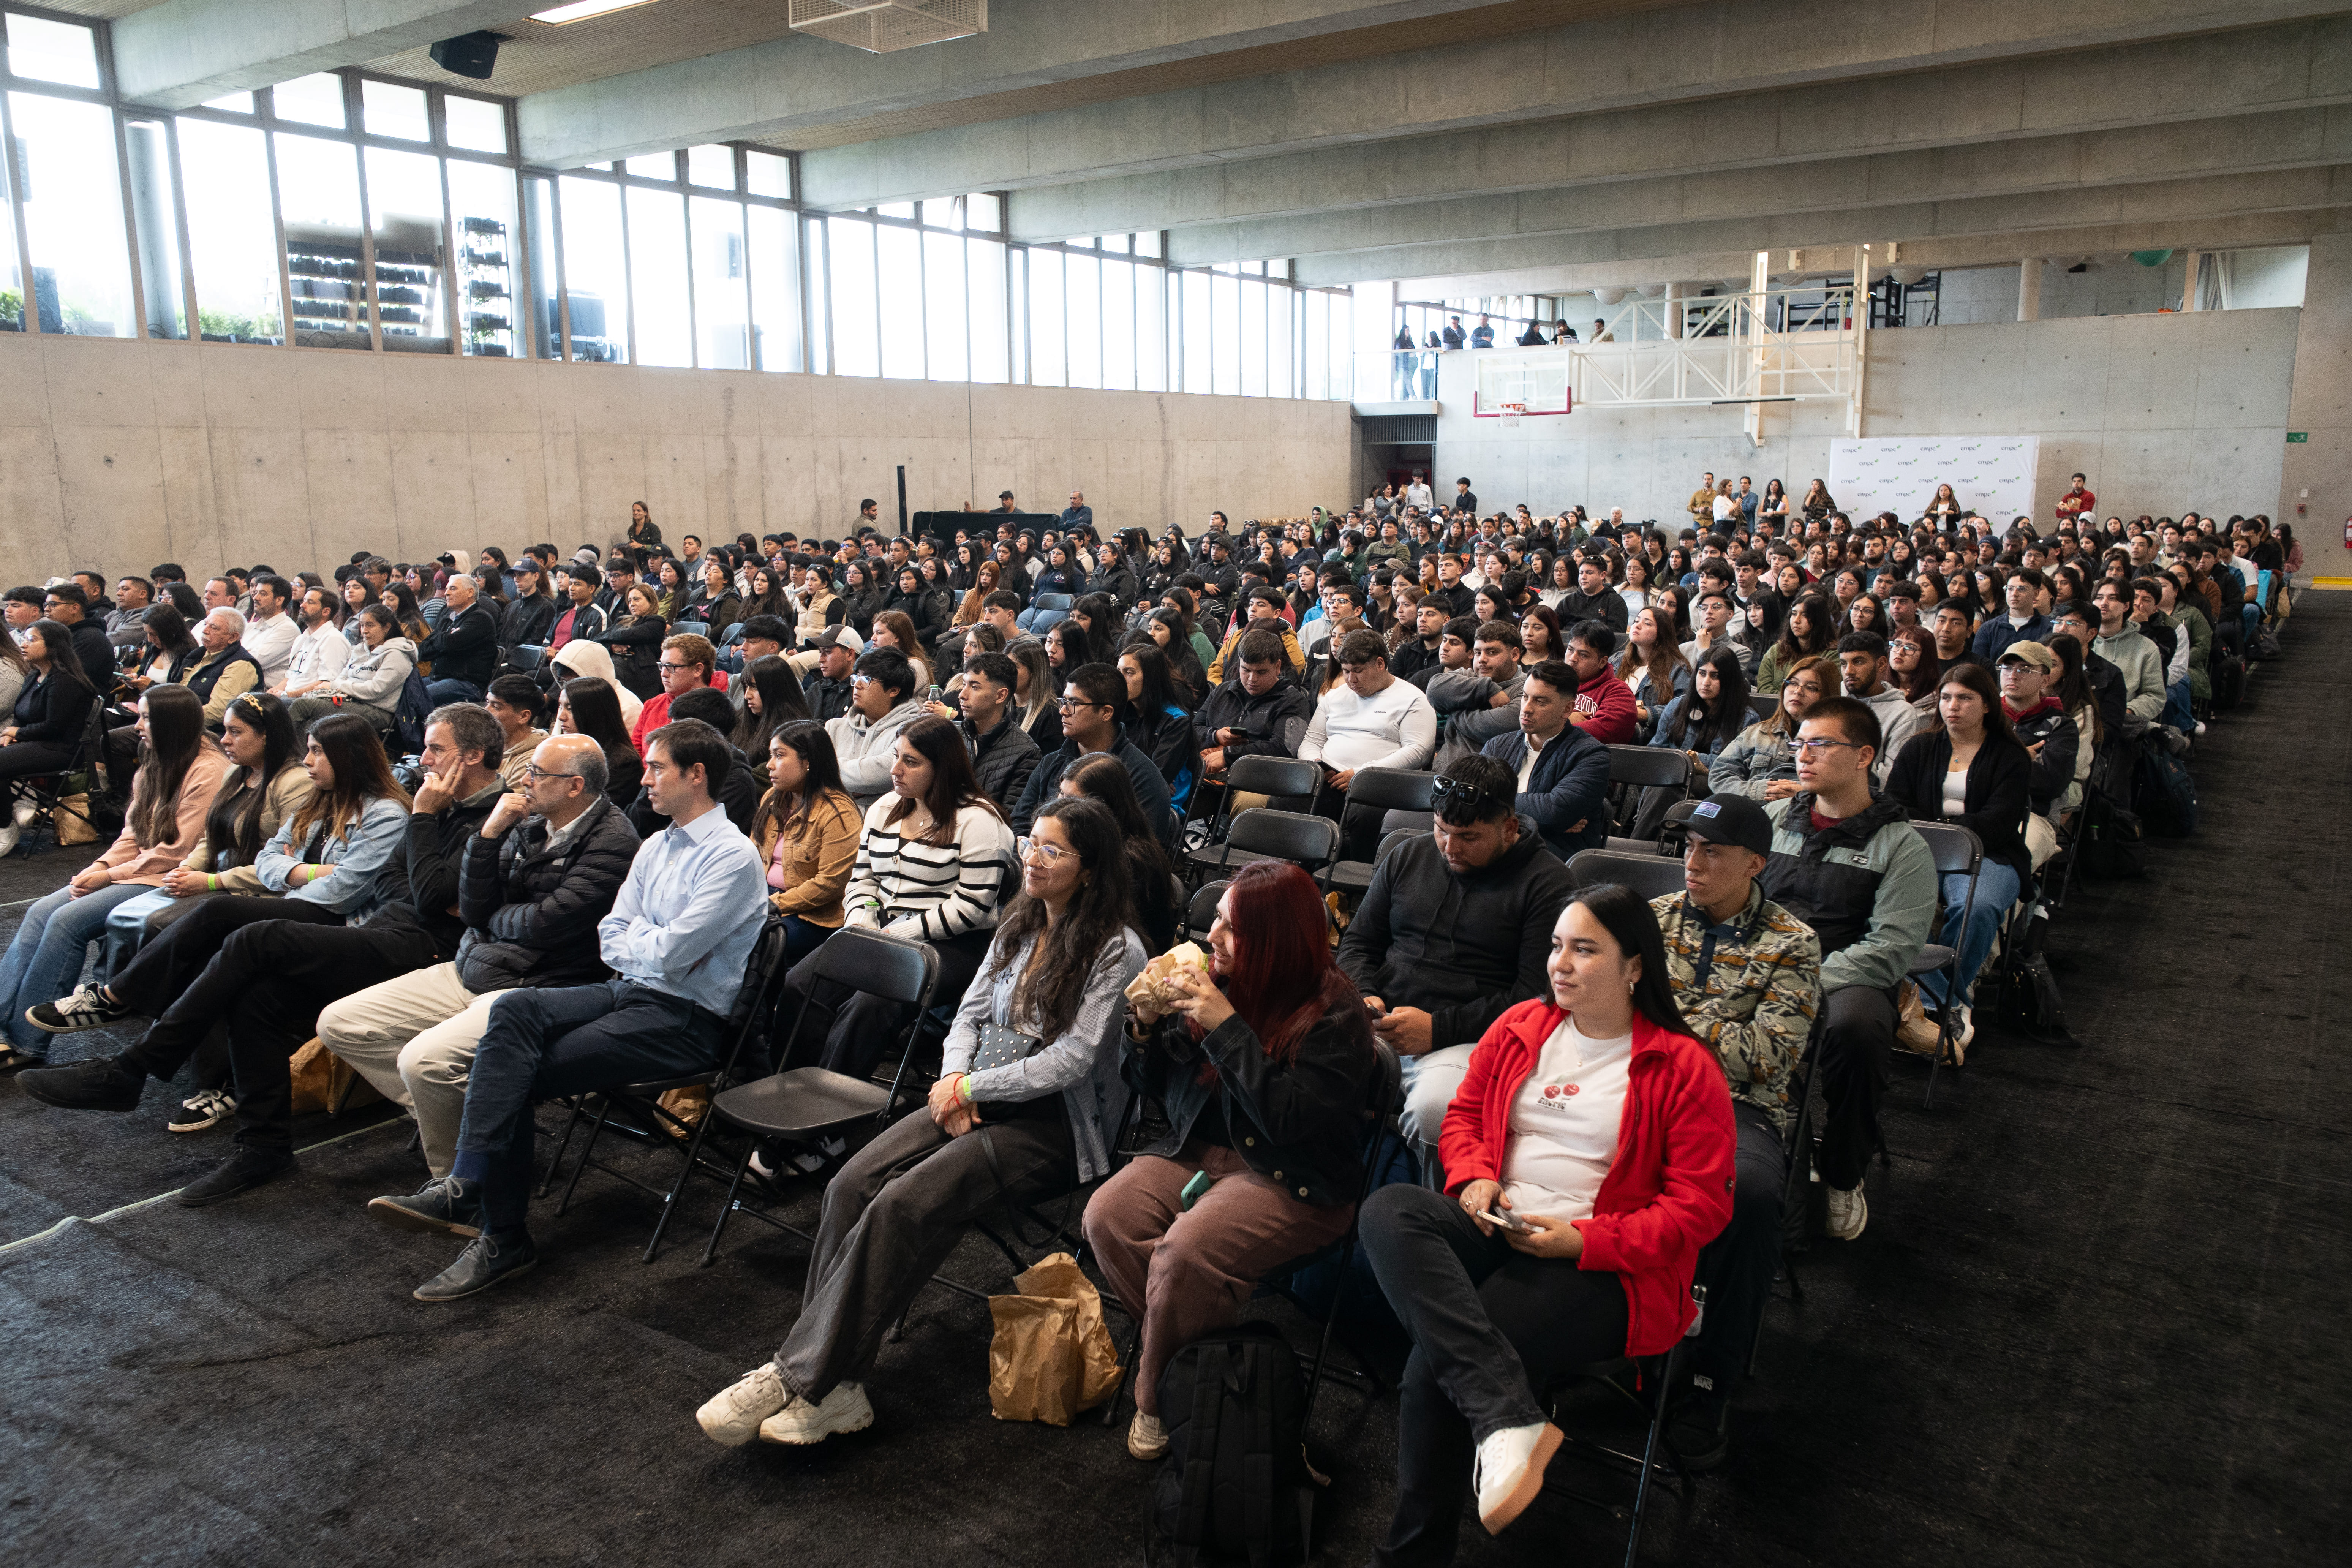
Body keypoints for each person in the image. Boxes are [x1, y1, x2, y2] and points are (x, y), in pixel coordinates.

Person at [695, 796, 1146, 1449]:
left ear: (1092, 868)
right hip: (968, 1093)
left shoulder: (1117, 949)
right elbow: (966, 1013)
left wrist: (969, 1085)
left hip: (1050, 1124)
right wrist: (951, 1082)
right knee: (849, 1185)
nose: (1033, 857)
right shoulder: (1021, 920)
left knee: (903, 1204)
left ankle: (796, 1375)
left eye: (1053, 849)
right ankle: (837, 1385)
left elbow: (1073, 1060)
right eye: (1032, 842)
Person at [1357, 884, 1736, 1554]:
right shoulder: (1522, 1025)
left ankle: (1415, 1548)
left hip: (1607, 1266)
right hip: (1501, 1226)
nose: (1560, 962)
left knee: (1429, 1366)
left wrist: (1582, 1239)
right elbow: (1467, 1116)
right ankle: (1505, 1419)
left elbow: (1698, 1208)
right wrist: (1474, 1177)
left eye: (1584, 949)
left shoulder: (1683, 1066)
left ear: (1634, 966)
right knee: (1390, 1208)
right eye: (1557, 945)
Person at [367, 718, 763, 1298]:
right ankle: (471, 1189)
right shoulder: (656, 842)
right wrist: (644, 943)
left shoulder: (731, 857)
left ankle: (498, 1230)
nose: (645, 779)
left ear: (696, 775)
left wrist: (643, 943)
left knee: (509, 1072)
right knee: (514, 1013)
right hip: (630, 990)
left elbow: (675, 956)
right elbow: (613, 932)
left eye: (656, 768)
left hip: (686, 1019)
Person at [17, 713, 433, 1202]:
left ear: (350, 757)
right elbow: (267, 860)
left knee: (227, 923)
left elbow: (342, 893)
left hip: (354, 929)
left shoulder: (386, 812)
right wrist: (305, 871)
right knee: (250, 988)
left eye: (318, 751)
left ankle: (124, 1026)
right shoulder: (318, 802)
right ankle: (262, 1146)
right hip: (307, 914)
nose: (308, 759)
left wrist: (293, 873)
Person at [1083, 861, 1379, 1461]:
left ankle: (1157, 1398)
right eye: (1215, 918)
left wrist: (1224, 1026)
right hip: (1202, 1152)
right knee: (1107, 1217)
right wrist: (1140, 1027)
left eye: (1231, 928)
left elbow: (1288, 1123)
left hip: (1293, 1177)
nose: (1211, 936)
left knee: (1184, 1254)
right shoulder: (1214, 979)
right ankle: (1212, 1365)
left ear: (1273, 940)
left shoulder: (1337, 1016)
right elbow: (1152, 1088)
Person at [314, 733, 640, 1184]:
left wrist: (490, 916)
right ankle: (478, 1125)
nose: (524, 780)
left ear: (574, 787)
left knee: (424, 1062)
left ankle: (462, 1185)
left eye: (537, 774)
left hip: (540, 983)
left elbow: (548, 925)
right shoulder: (524, 822)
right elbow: (472, 907)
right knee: (340, 1023)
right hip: (477, 963)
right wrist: (487, 836)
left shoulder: (614, 841)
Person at [1648, 794, 1821, 1469]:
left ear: (1755, 862)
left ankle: (1709, 1378)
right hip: (1639, 1089)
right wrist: (1700, 1024)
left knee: (1747, 1193)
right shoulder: (1650, 920)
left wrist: (1668, 1018)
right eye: (1689, 847)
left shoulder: (1792, 941)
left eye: (1712, 850)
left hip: (1734, 1107)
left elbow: (1768, 1055)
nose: (1693, 862)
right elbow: (1605, 1017)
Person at [1339, 754, 1574, 1183]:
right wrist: (1363, 994)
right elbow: (1359, 942)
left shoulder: (1549, 883)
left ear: (1510, 827)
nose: (1450, 849)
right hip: (1378, 1020)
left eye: (1468, 837)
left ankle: (1435, 1216)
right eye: (1441, 831)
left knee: (1435, 1112)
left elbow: (1535, 996)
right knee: (1287, 1063)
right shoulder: (1408, 854)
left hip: (1468, 1039)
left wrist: (1439, 1030)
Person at [1759, 698, 1937, 1242]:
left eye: (1820, 743)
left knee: (1857, 1029)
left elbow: (1891, 947)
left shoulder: (1902, 846)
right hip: (1761, 965)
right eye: (1799, 743)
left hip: (1845, 977)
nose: (1803, 755)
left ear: (1864, 756)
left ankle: (1841, 1171)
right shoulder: (1773, 822)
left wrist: (1805, 980)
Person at [0, 687, 228, 1071]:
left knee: (66, 922)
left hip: (170, 877)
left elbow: (176, 851)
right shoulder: (156, 760)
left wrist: (109, 877)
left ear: (171, 723)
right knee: (41, 911)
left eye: (147, 718)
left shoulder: (210, 770)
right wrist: (100, 866)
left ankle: (26, 1042)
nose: (138, 726)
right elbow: (133, 834)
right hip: (139, 869)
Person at [1883, 662, 2031, 1050]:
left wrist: (1942, 827)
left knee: (1978, 908)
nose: (1953, 706)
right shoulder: (1920, 747)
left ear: (1987, 706)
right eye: (1947, 697)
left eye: (1966, 698)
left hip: (1990, 854)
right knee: (1881, 905)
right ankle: (1955, 998)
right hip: (1918, 853)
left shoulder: (2009, 756)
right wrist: (1937, 830)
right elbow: (1896, 805)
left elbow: (2000, 821)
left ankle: (1934, 1001)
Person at [1299, 630, 1437, 857]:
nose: (1352, 680)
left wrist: (1363, 774)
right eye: (1346, 671)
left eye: (1358, 671)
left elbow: (1419, 751)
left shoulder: (1412, 699)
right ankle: (1297, 874)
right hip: (1328, 780)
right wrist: (1315, 764)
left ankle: (1352, 881)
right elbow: (1311, 741)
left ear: (1380, 664)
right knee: (1289, 800)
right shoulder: (1334, 697)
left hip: (1379, 786)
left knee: (1366, 814)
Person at [1009, 662, 1174, 844]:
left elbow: (1139, 854)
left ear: (1106, 713)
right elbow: (1020, 825)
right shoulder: (1051, 763)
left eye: (1074, 703)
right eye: (1063, 701)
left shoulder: (1143, 778)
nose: (1063, 711)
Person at [745, 719, 862, 971]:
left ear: (808, 762)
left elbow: (830, 884)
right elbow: (752, 855)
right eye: (771, 756)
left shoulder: (838, 813)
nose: (770, 765)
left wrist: (776, 904)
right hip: (765, 897)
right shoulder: (772, 798)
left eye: (779, 756)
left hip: (813, 916)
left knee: (749, 940)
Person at [1479, 659, 1610, 860]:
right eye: (1525, 697)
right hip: (1498, 846)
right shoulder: (1497, 746)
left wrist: (1492, 802)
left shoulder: (1592, 755)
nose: (1526, 709)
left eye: (1540, 702)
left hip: (1554, 857)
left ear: (1567, 710)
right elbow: (1470, 800)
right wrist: (1540, 818)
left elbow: (1555, 812)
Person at [0, 619, 100, 851]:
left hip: (59, 749)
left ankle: (5, 825)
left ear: (54, 646)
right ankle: (16, 804)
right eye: (24, 639)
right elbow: (20, 714)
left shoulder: (64, 681)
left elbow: (54, 727)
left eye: (32, 640)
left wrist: (19, 733)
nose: (24, 644)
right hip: (36, 742)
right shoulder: (34, 676)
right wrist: (10, 734)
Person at [826, 646, 929, 812]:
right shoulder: (834, 727)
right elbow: (809, 772)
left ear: (894, 690)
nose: (857, 686)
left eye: (866, 679)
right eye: (856, 678)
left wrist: (827, 773)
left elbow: (873, 776)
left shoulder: (913, 732)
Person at [948, 650, 1040, 816]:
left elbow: (1009, 819)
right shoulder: (951, 736)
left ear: (1001, 696)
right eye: (964, 684)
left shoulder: (1026, 753)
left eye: (975, 687)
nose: (962, 695)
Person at [1836, 631, 1918, 784]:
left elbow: (1891, 778)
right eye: (1843, 664)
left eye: (1858, 662)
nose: (1849, 671)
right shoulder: (1833, 698)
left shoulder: (1902, 713)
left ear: (1881, 664)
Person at [554, 675, 642, 809]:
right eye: (561, 707)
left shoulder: (624, 763)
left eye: (570, 709)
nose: (561, 717)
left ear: (594, 713)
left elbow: (593, 813)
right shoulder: (561, 751)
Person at [416, 571, 498, 705]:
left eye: (453, 589)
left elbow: (450, 644)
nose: (446, 593)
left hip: (465, 684)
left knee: (416, 698)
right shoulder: (448, 618)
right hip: (438, 679)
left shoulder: (480, 618)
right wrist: (447, 637)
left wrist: (442, 639)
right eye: (447, 589)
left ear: (470, 593)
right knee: (400, 690)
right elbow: (424, 652)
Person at [274, 585, 350, 700]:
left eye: (310, 602)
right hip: (289, 697)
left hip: (310, 701)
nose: (302, 605)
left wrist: (288, 695)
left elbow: (326, 683)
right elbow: (290, 676)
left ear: (326, 611)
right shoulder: (301, 639)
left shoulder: (333, 639)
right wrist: (275, 691)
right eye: (304, 601)